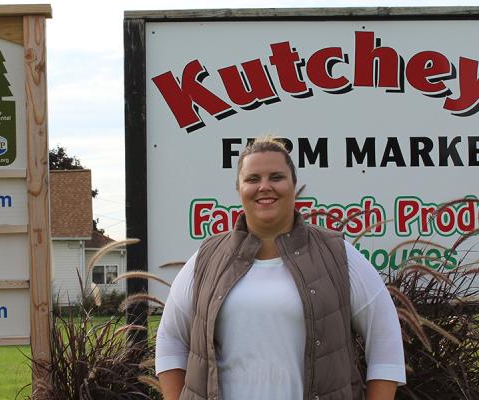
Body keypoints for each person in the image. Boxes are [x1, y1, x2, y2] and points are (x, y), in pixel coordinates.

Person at [155, 135, 406, 400]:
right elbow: (170, 339)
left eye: (276, 177)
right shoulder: (207, 259)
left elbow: (385, 340)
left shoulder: (338, 255)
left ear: (294, 185)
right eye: (253, 179)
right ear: (239, 188)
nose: (264, 187)